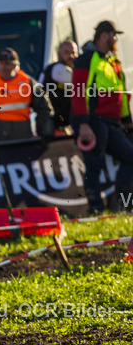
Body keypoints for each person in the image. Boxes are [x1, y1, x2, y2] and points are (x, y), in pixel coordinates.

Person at [71, 21, 133, 213]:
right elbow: (79, 93)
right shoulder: (86, 59)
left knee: (130, 157)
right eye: (114, 35)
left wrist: (127, 120)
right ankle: (95, 209)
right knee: (94, 167)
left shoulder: (112, 60)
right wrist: (83, 124)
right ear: (105, 35)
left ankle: (123, 205)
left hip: (112, 122)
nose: (115, 40)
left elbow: (120, 92)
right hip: (92, 121)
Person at [0, 47, 53, 144]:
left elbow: (44, 107)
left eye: (7, 63)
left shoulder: (27, 82)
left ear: (16, 65)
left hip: (22, 133)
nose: (3, 67)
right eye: (1, 63)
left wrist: (46, 131)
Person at [40, 40, 79, 132]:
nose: (71, 56)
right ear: (58, 54)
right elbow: (82, 83)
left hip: (56, 123)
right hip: (56, 125)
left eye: (73, 52)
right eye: (67, 52)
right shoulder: (58, 68)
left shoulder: (50, 68)